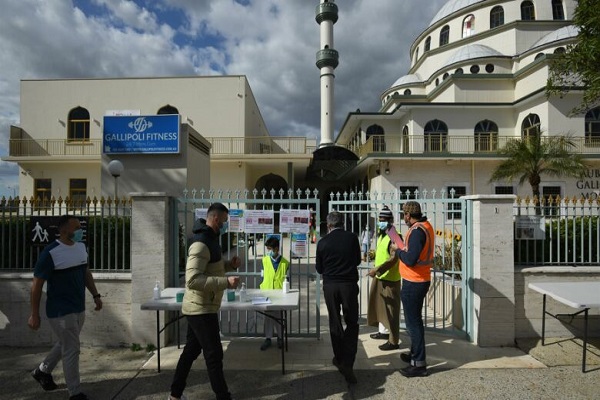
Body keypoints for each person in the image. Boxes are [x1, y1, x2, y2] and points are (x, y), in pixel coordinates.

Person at [169, 203, 241, 400]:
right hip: (200, 308)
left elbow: (210, 268)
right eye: (225, 221)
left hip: (203, 306)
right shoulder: (201, 242)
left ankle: (175, 394)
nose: (226, 225)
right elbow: (192, 280)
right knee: (214, 355)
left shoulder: (211, 239)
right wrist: (225, 282)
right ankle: (223, 396)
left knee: (191, 351)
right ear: (216, 219)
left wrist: (229, 265)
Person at [28, 215, 103, 400]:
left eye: (80, 227)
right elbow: (37, 284)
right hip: (60, 311)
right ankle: (75, 393)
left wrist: (96, 295)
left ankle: (42, 371)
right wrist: (34, 314)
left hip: (78, 307)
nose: (80, 231)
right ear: (63, 231)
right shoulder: (50, 253)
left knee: (66, 343)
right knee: (72, 349)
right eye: (76, 228)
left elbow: (85, 273)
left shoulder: (81, 247)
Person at [315, 211, 361, 385]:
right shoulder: (352, 238)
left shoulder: (323, 242)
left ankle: (339, 358)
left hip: (331, 286)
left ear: (328, 225)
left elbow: (319, 269)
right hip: (348, 285)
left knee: (335, 321)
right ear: (343, 223)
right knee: (352, 322)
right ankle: (348, 361)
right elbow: (357, 260)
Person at [391, 201, 434, 378]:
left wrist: (397, 250)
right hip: (420, 279)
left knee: (413, 324)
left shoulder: (417, 231)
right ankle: (415, 355)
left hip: (414, 282)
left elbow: (410, 259)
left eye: (404, 215)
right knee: (414, 322)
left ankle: (418, 364)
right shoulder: (426, 226)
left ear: (408, 215)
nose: (404, 218)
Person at [367, 206, 402, 351]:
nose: (381, 222)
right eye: (380, 220)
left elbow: (394, 259)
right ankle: (383, 332)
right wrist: (374, 255)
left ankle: (393, 341)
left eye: (384, 220)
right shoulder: (383, 234)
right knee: (380, 306)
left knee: (391, 311)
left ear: (391, 221)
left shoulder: (395, 236)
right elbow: (384, 251)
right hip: (381, 276)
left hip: (390, 278)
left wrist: (377, 269)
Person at [258, 236, 290, 350]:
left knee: (279, 316)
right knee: (268, 317)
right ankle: (268, 338)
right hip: (267, 293)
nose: (269, 252)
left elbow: (287, 279)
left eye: (271, 249)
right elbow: (264, 276)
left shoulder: (285, 263)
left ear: (277, 249)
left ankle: (280, 338)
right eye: (268, 249)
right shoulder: (265, 260)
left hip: (280, 294)